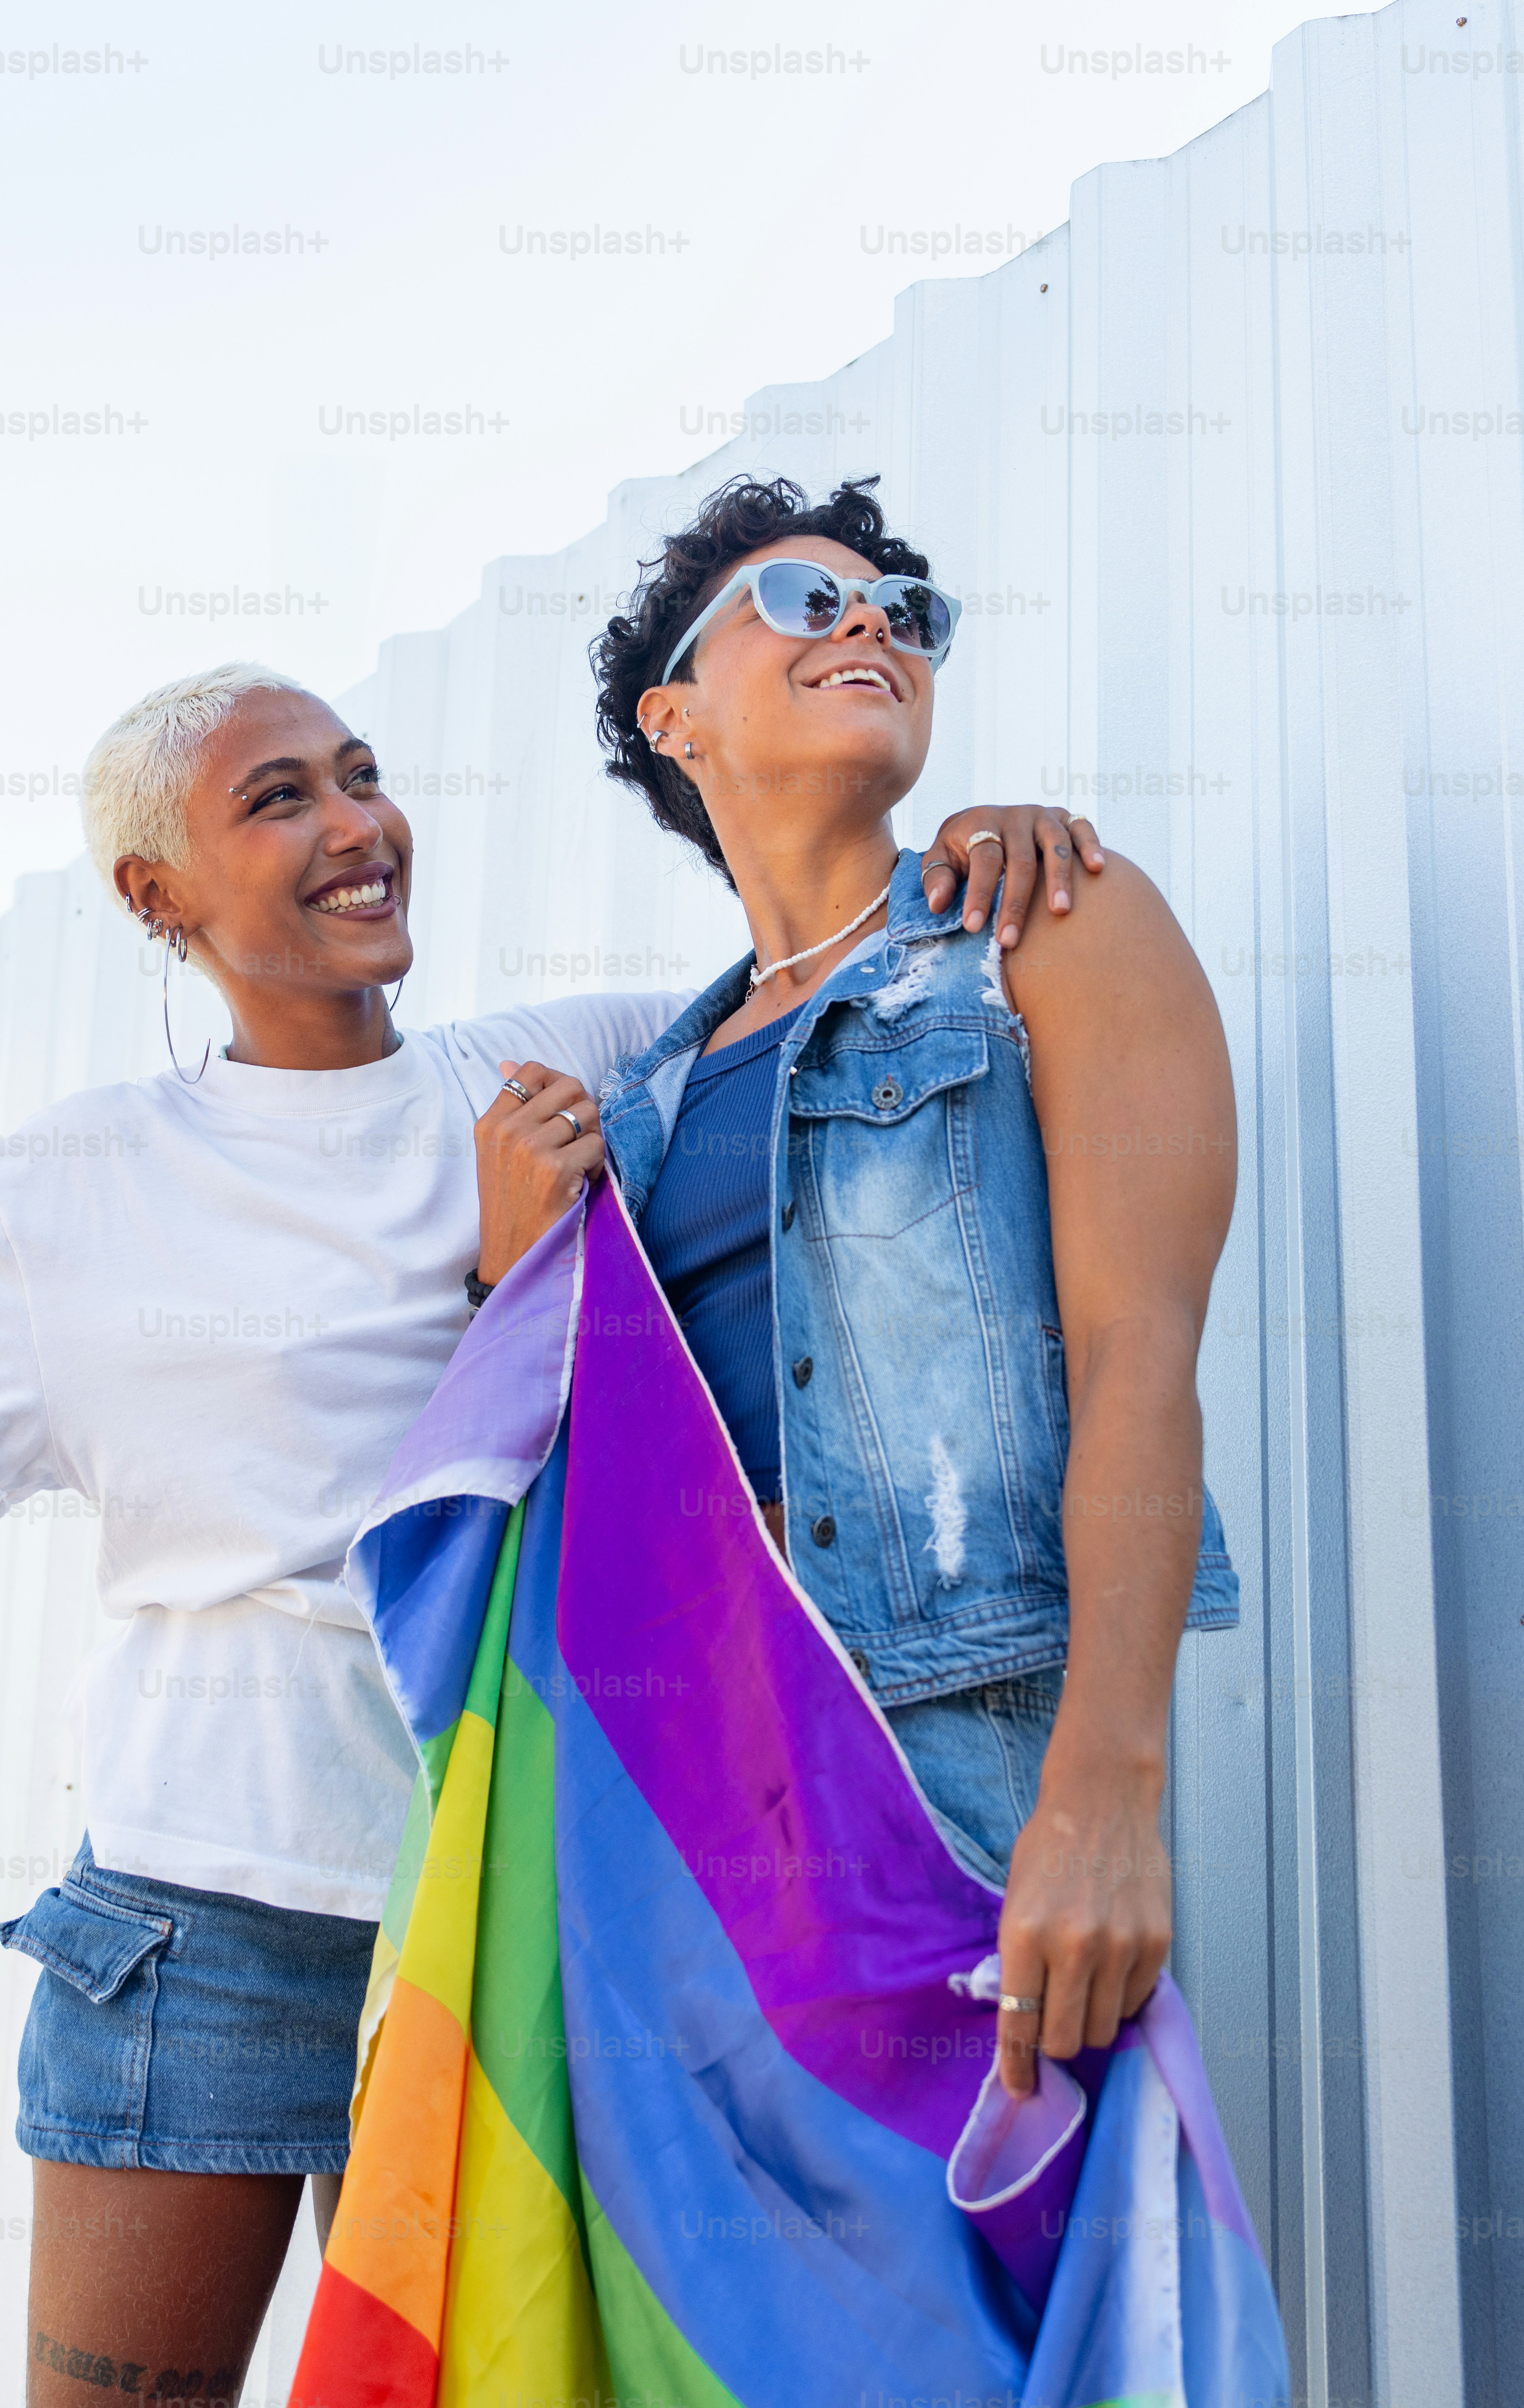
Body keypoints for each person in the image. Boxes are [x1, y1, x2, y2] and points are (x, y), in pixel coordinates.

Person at [0, 659, 1108, 2398]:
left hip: (506, 1905)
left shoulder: (572, 1067)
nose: (357, 825)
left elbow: (849, 992)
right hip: (203, 1931)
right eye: (280, 798)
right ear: (157, 894)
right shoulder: (76, 1187)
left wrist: (973, 853)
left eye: (361, 775)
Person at [551, 474, 1242, 2103]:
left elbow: (1140, 1352)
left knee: (989, 2248)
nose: (870, 620)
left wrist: (1107, 1791)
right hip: (678, 1801)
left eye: (903, 612)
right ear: (674, 717)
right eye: (801, 602)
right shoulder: (644, 1102)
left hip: (955, 1775)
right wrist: (519, 1262)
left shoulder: (1048, 924)